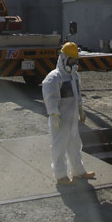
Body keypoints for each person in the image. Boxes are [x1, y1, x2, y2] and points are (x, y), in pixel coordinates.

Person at [42, 42, 95, 185]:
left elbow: (77, 95)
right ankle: (61, 176)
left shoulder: (74, 76)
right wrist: (54, 115)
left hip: (72, 119)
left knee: (75, 145)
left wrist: (81, 110)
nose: (73, 63)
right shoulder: (54, 78)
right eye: (71, 60)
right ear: (63, 58)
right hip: (60, 119)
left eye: (75, 60)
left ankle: (79, 171)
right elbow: (50, 98)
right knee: (59, 147)